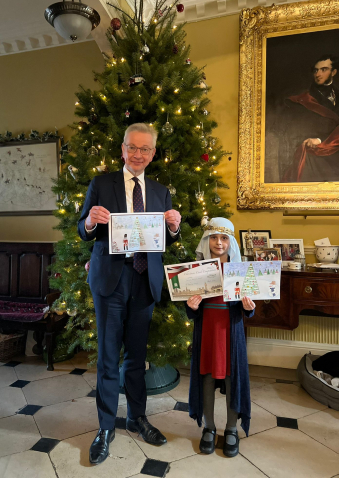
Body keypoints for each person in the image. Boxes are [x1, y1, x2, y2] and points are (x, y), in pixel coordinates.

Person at [78, 123, 181, 465]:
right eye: (132, 148)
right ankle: (105, 427)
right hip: (111, 279)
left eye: (145, 149)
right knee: (108, 358)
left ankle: (138, 418)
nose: (138, 154)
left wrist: (174, 227)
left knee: (137, 357)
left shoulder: (160, 191)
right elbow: (82, 230)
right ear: (122, 150)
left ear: (153, 154)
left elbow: (166, 240)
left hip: (144, 281)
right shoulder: (101, 184)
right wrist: (91, 221)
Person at [185, 218, 255, 457]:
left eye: (224, 238)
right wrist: (191, 306)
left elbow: (249, 307)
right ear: (207, 240)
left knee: (231, 378)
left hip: (230, 332)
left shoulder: (240, 271)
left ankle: (232, 428)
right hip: (206, 331)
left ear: (231, 242)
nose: (218, 242)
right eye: (213, 237)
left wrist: (248, 307)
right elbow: (190, 307)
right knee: (205, 377)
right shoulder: (198, 271)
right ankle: (209, 428)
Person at [283, 54, 339, 182]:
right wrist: (320, 140)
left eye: (323, 69)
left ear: (334, 72)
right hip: (318, 155)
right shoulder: (304, 101)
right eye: (315, 70)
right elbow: (304, 131)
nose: (318, 74)